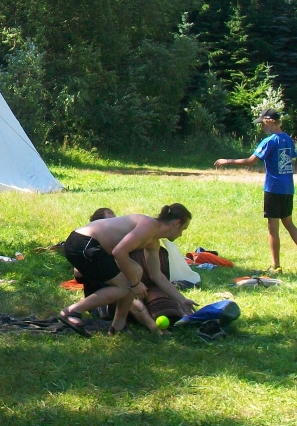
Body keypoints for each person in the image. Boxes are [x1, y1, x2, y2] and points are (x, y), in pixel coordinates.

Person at [59, 204, 197, 337]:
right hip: (82, 244)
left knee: (136, 270)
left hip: (93, 247)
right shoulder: (149, 225)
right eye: (183, 229)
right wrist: (135, 283)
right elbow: (119, 252)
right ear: (176, 223)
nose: (181, 235)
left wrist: (182, 300)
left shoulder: (153, 241)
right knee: (125, 287)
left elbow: (157, 275)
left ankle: (118, 325)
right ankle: (72, 311)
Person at [215, 107, 297, 273]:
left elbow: (250, 161)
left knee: (273, 228)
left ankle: (275, 266)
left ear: (270, 121)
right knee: (289, 223)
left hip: (274, 188)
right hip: (288, 188)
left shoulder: (269, 141)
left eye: (262, 123)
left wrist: (227, 161)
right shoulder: (288, 139)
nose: (261, 126)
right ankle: (276, 264)